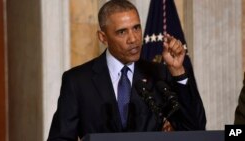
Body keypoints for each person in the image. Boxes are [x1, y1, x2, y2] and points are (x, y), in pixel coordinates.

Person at [47, 0, 206, 140]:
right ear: (103, 37)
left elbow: (195, 128)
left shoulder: (160, 74)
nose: (133, 39)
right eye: (122, 32)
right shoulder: (77, 81)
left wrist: (178, 71)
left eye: (136, 28)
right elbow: (60, 137)